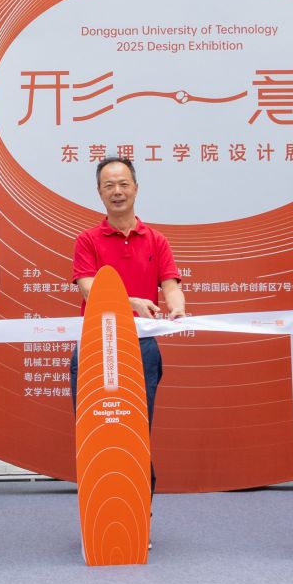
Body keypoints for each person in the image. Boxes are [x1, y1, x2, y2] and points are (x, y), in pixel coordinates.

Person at [70, 156, 185, 515]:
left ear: (136, 188)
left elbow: (171, 285)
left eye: (123, 184)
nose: (117, 191)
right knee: (95, 432)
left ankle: (138, 514)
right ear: (99, 192)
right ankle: (97, 514)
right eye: (109, 185)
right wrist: (131, 301)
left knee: (136, 432)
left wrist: (177, 308)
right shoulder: (87, 240)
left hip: (141, 348)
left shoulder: (156, 240)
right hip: (95, 346)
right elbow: (89, 288)